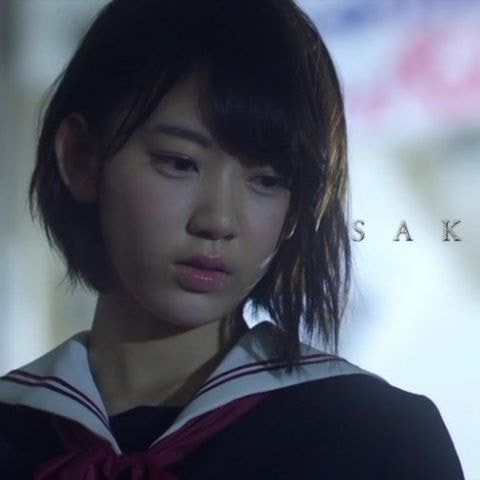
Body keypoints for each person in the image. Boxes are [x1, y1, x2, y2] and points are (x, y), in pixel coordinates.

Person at [0, 0, 465, 478]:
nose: (219, 220)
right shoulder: (15, 429)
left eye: (267, 179)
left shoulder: (378, 440)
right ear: (80, 157)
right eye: (179, 163)